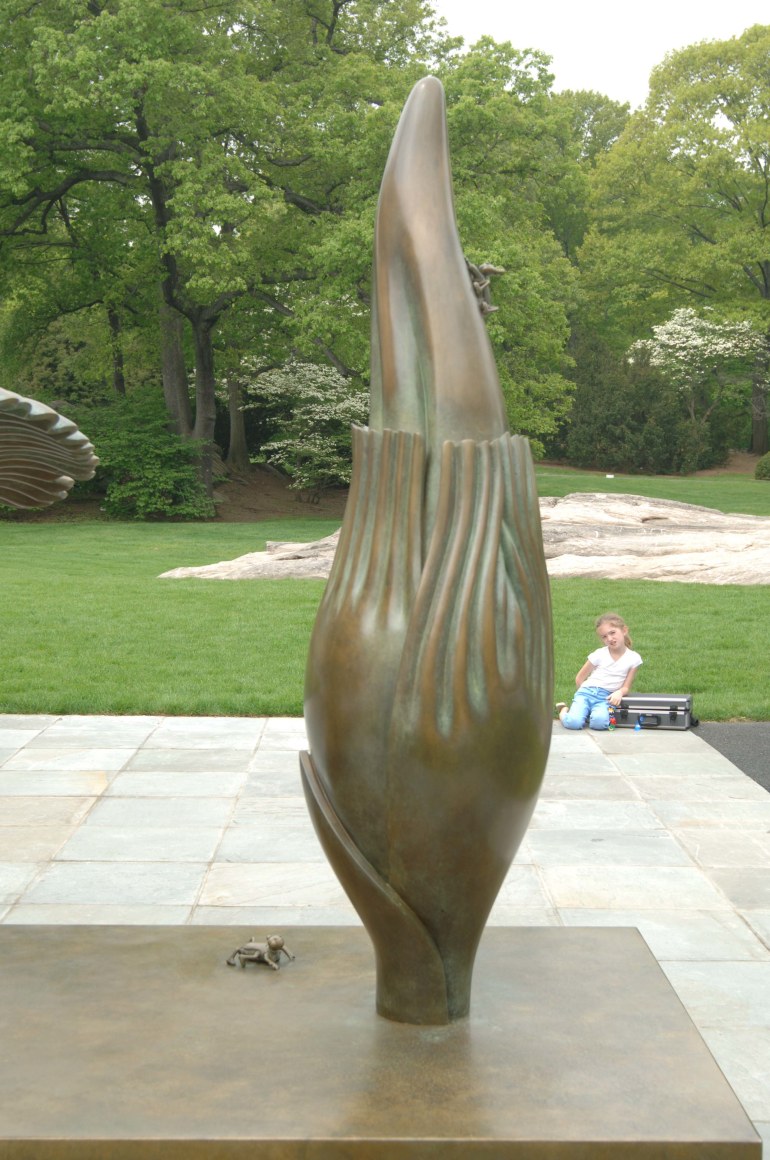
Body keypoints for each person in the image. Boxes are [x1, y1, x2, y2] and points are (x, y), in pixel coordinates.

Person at [556, 613, 642, 731]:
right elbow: (579, 678)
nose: (609, 639)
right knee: (573, 723)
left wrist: (619, 692)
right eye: (604, 636)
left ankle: (587, 713)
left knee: (600, 724)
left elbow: (626, 687)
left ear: (624, 630)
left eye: (612, 633)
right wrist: (582, 696)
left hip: (606, 698)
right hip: (586, 693)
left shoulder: (634, 658)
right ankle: (564, 711)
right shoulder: (599, 654)